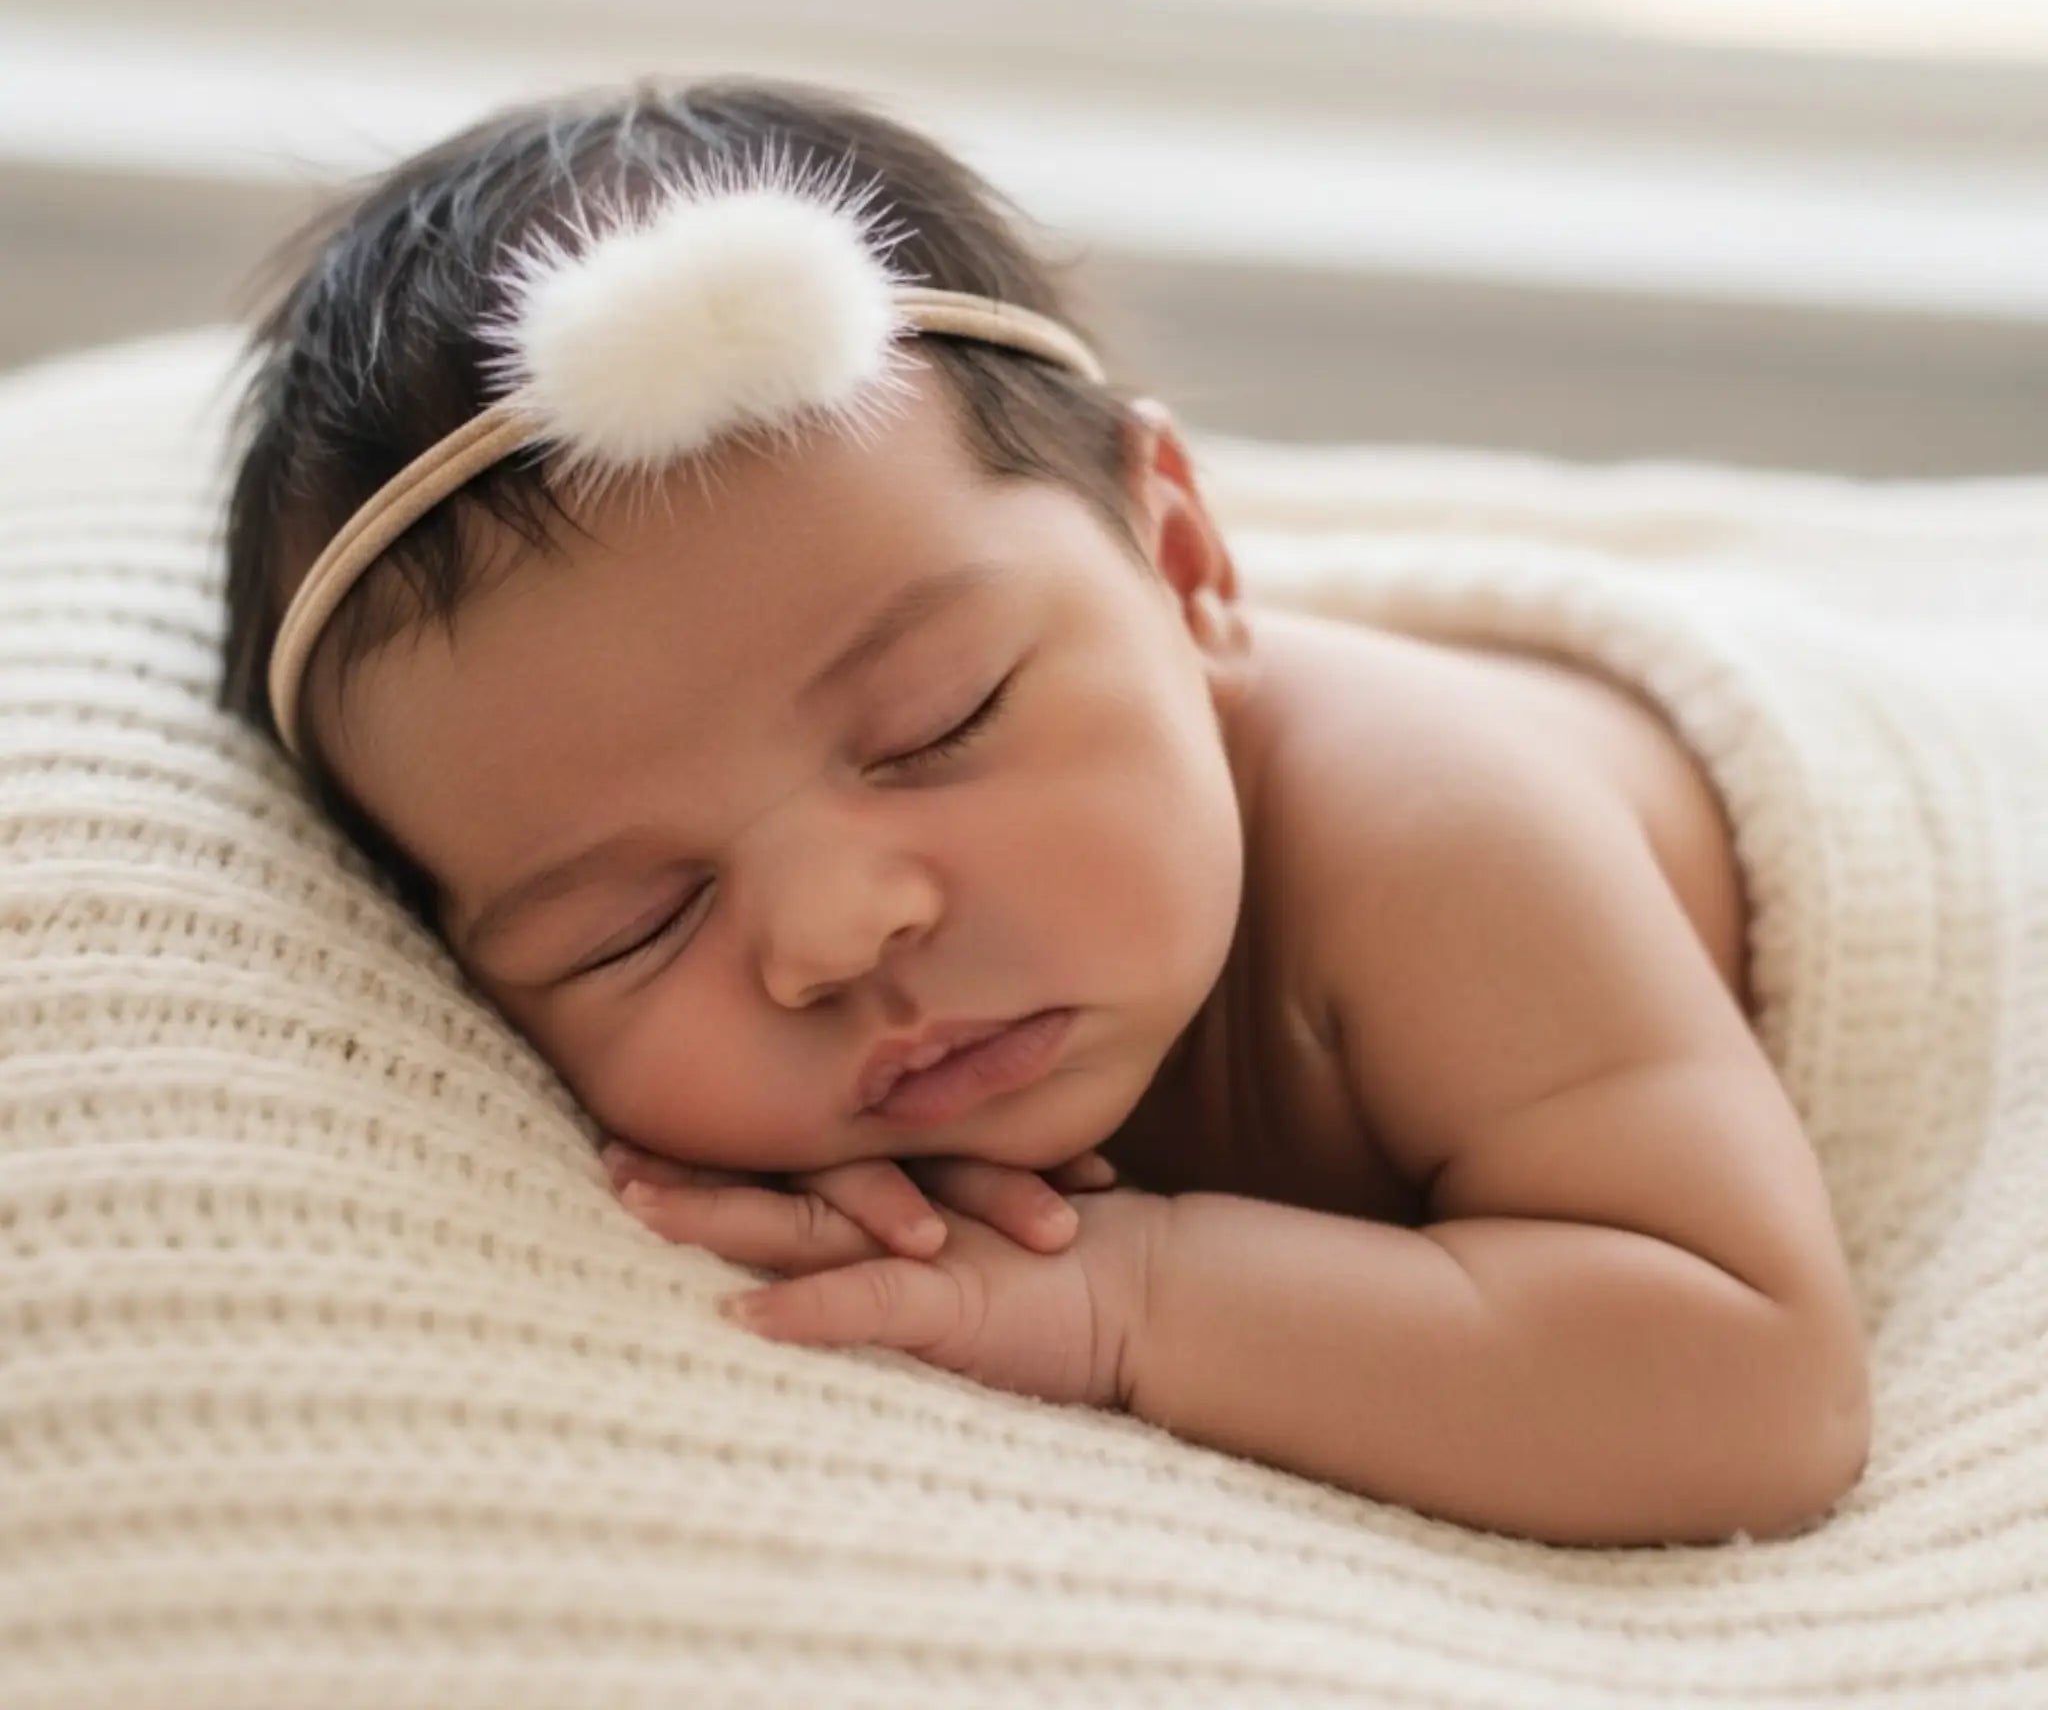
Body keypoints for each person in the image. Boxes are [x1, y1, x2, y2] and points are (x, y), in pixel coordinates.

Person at [216, 74, 1869, 1548]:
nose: (834, 932)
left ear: (1185, 570)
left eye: (940, 724)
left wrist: (1132, 1296)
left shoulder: (1437, 838)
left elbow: (1755, 1386)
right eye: (631, 926)